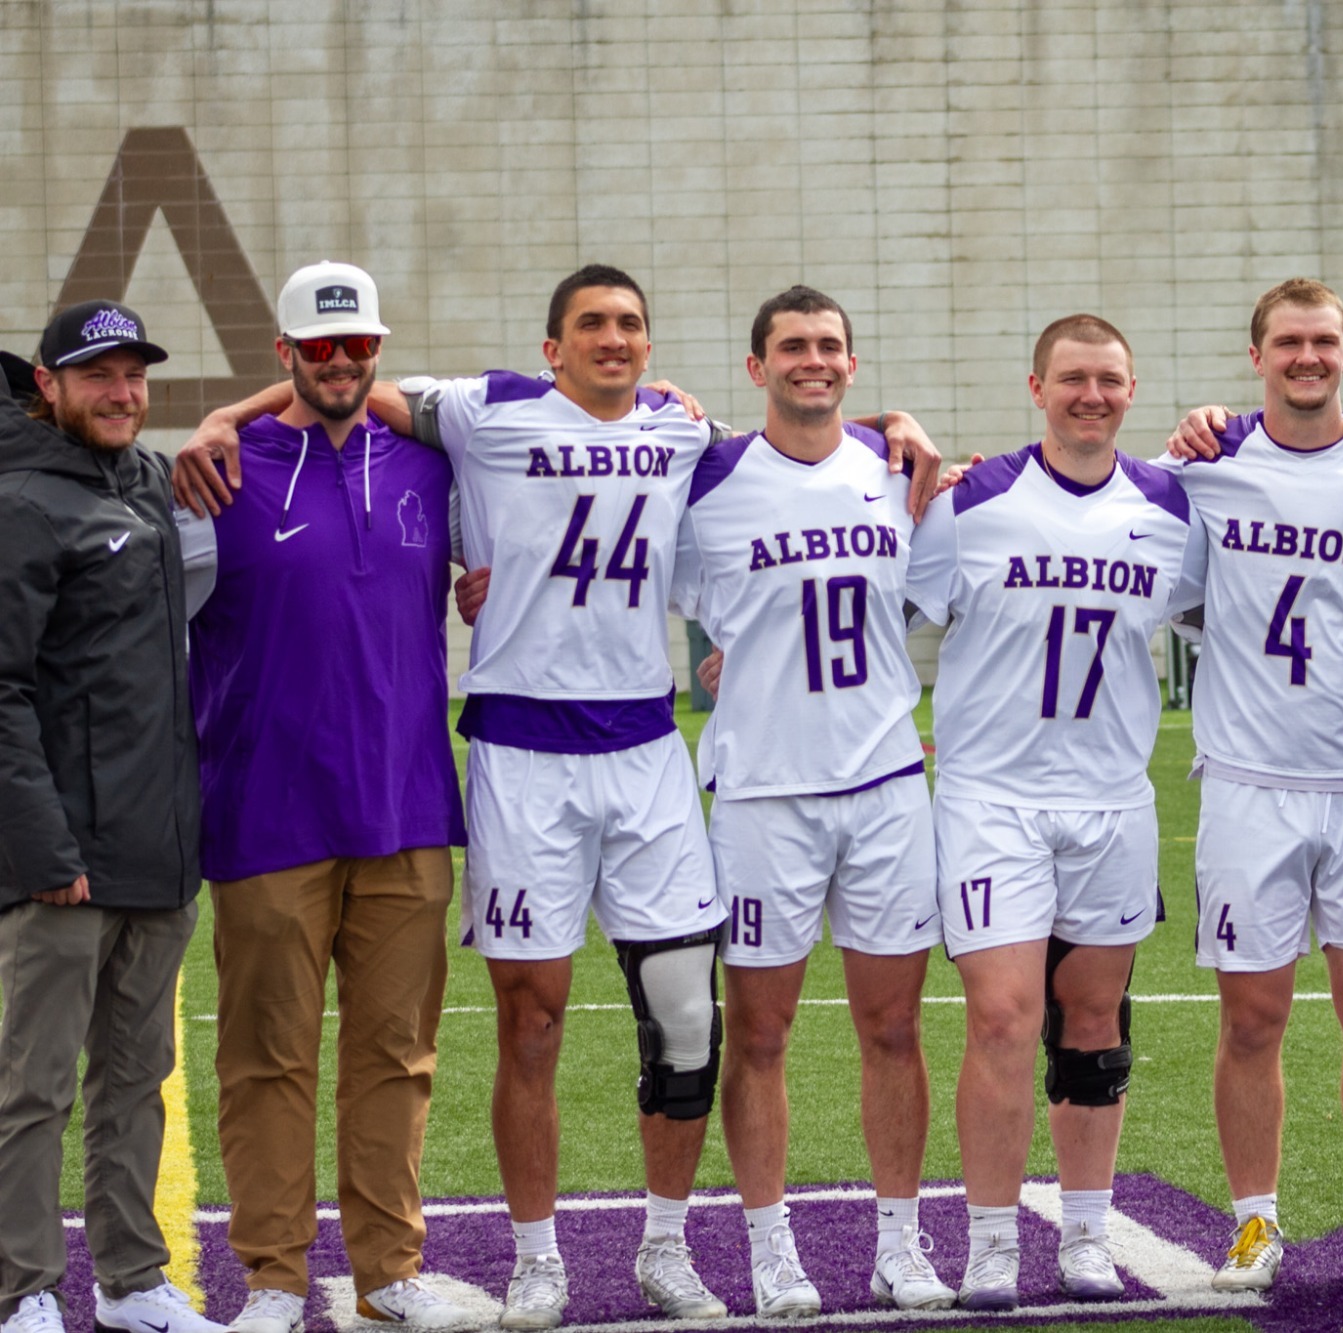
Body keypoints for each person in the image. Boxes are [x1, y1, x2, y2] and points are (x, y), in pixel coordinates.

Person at [179, 264, 939, 1327]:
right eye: (591, 325)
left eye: (630, 324)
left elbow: (800, 430)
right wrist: (222, 410)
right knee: (529, 1023)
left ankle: (664, 1247)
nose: (613, 339)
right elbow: (338, 384)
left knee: (683, 1023)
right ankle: (537, 1259)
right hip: (522, 755)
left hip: (644, 751)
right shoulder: (488, 411)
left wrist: (889, 421)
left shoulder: (686, 436)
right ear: (552, 347)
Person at [176, 263, 469, 1333]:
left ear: (379, 349)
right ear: (283, 355)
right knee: (266, 1060)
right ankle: (270, 1278)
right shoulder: (215, 472)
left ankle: (390, 1270)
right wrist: (219, 417)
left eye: (357, 347)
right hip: (262, 816)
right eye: (319, 348)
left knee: (398, 1054)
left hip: (407, 812)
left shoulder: (434, 463)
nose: (340, 364)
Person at [904, 315, 1205, 1310]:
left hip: (1111, 800)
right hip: (993, 799)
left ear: (1131, 387)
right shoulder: (975, 501)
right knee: (1000, 1017)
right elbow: (889, 605)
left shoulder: (1168, 507)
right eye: (1071, 378)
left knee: (1093, 1025)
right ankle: (991, 1240)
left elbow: (1230, 609)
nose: (1091, 394)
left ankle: (1083, 1231)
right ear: (1034, 387)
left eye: (1108, 379)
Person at [1157, 279, 1343, 1292]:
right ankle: (1254, 1222)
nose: (1306, 357)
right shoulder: (1207, 463)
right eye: (1288, 342)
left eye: (1323, 340)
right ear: (1256, 356)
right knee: (1250, 1019)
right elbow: (1154, 576)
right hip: (1246, 784)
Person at [670, 287, 949, 1317]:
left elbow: (936, 591)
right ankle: (767, 1246)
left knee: (893, 1028)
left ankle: (897, 1241)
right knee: (761, 1035)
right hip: (761, 794)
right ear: (756, 368)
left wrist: (901, 434)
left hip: (881, 785)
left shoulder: (893, 471)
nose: (813, 361)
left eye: (829, 345)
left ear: (853, 361)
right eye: (792, 346)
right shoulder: (710, 476)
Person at [0, 303, 221, 1333]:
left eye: (133, 375)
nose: (122, 393)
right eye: (98, 376)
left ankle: (132, 1283)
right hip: (61, 864)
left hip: (157, 853)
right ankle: (23, 1289)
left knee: (136, 1083)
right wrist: (43, 850)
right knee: (32, 1094)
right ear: (47, 384)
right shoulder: (20, 501)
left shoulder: (141, 475)